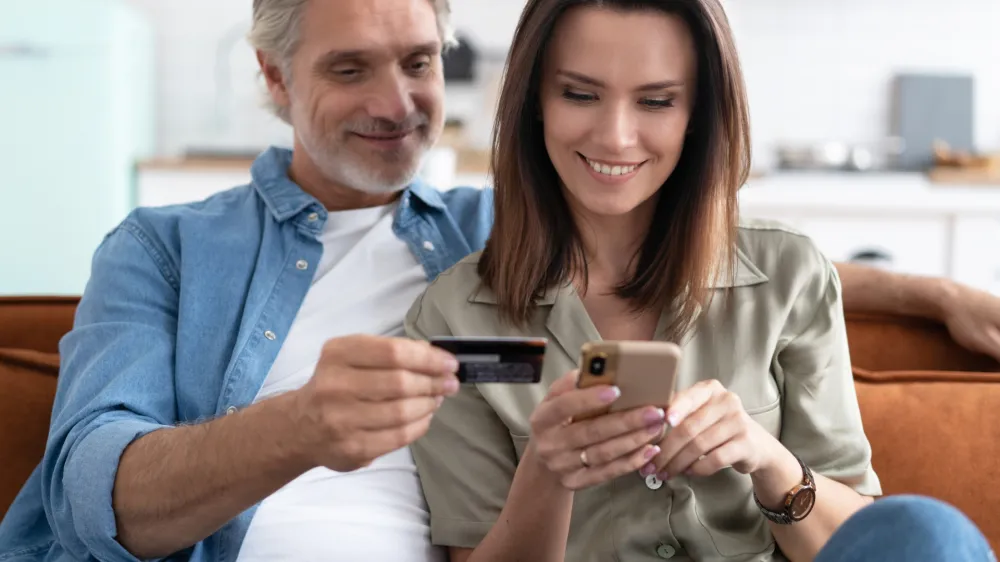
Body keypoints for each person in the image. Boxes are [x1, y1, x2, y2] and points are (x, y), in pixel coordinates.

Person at [0, 0, 995, 560]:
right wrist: (298, 425)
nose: (396, 105)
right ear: (273, 80)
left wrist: (934, 295)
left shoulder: (505, 231)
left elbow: (721, 262)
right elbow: (89, 491)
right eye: (350, 70)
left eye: (419, 61)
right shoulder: (164, 248)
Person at [403, 1, 996, 562]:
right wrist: (548, 475)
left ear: (698, 115)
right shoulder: (454, 321)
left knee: (928, 530)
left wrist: (768, 462)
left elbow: (856, 543)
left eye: (656, 102)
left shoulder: (788, 277)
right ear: (535, 99)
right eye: (580, 94)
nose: (614, 136)